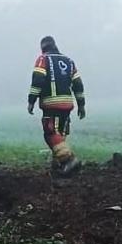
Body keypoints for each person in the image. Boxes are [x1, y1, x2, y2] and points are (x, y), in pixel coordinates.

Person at [27, 36, 86, 175]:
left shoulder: (43, 60)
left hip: (51, 103)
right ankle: (59, 164)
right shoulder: (69, 62)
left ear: (43, 48)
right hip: (67, 103)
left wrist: (31, 101)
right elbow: (78, 84)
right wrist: (81, 105)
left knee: (51, 133)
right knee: (60, 133)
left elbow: (38, 80)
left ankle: (68, 160)